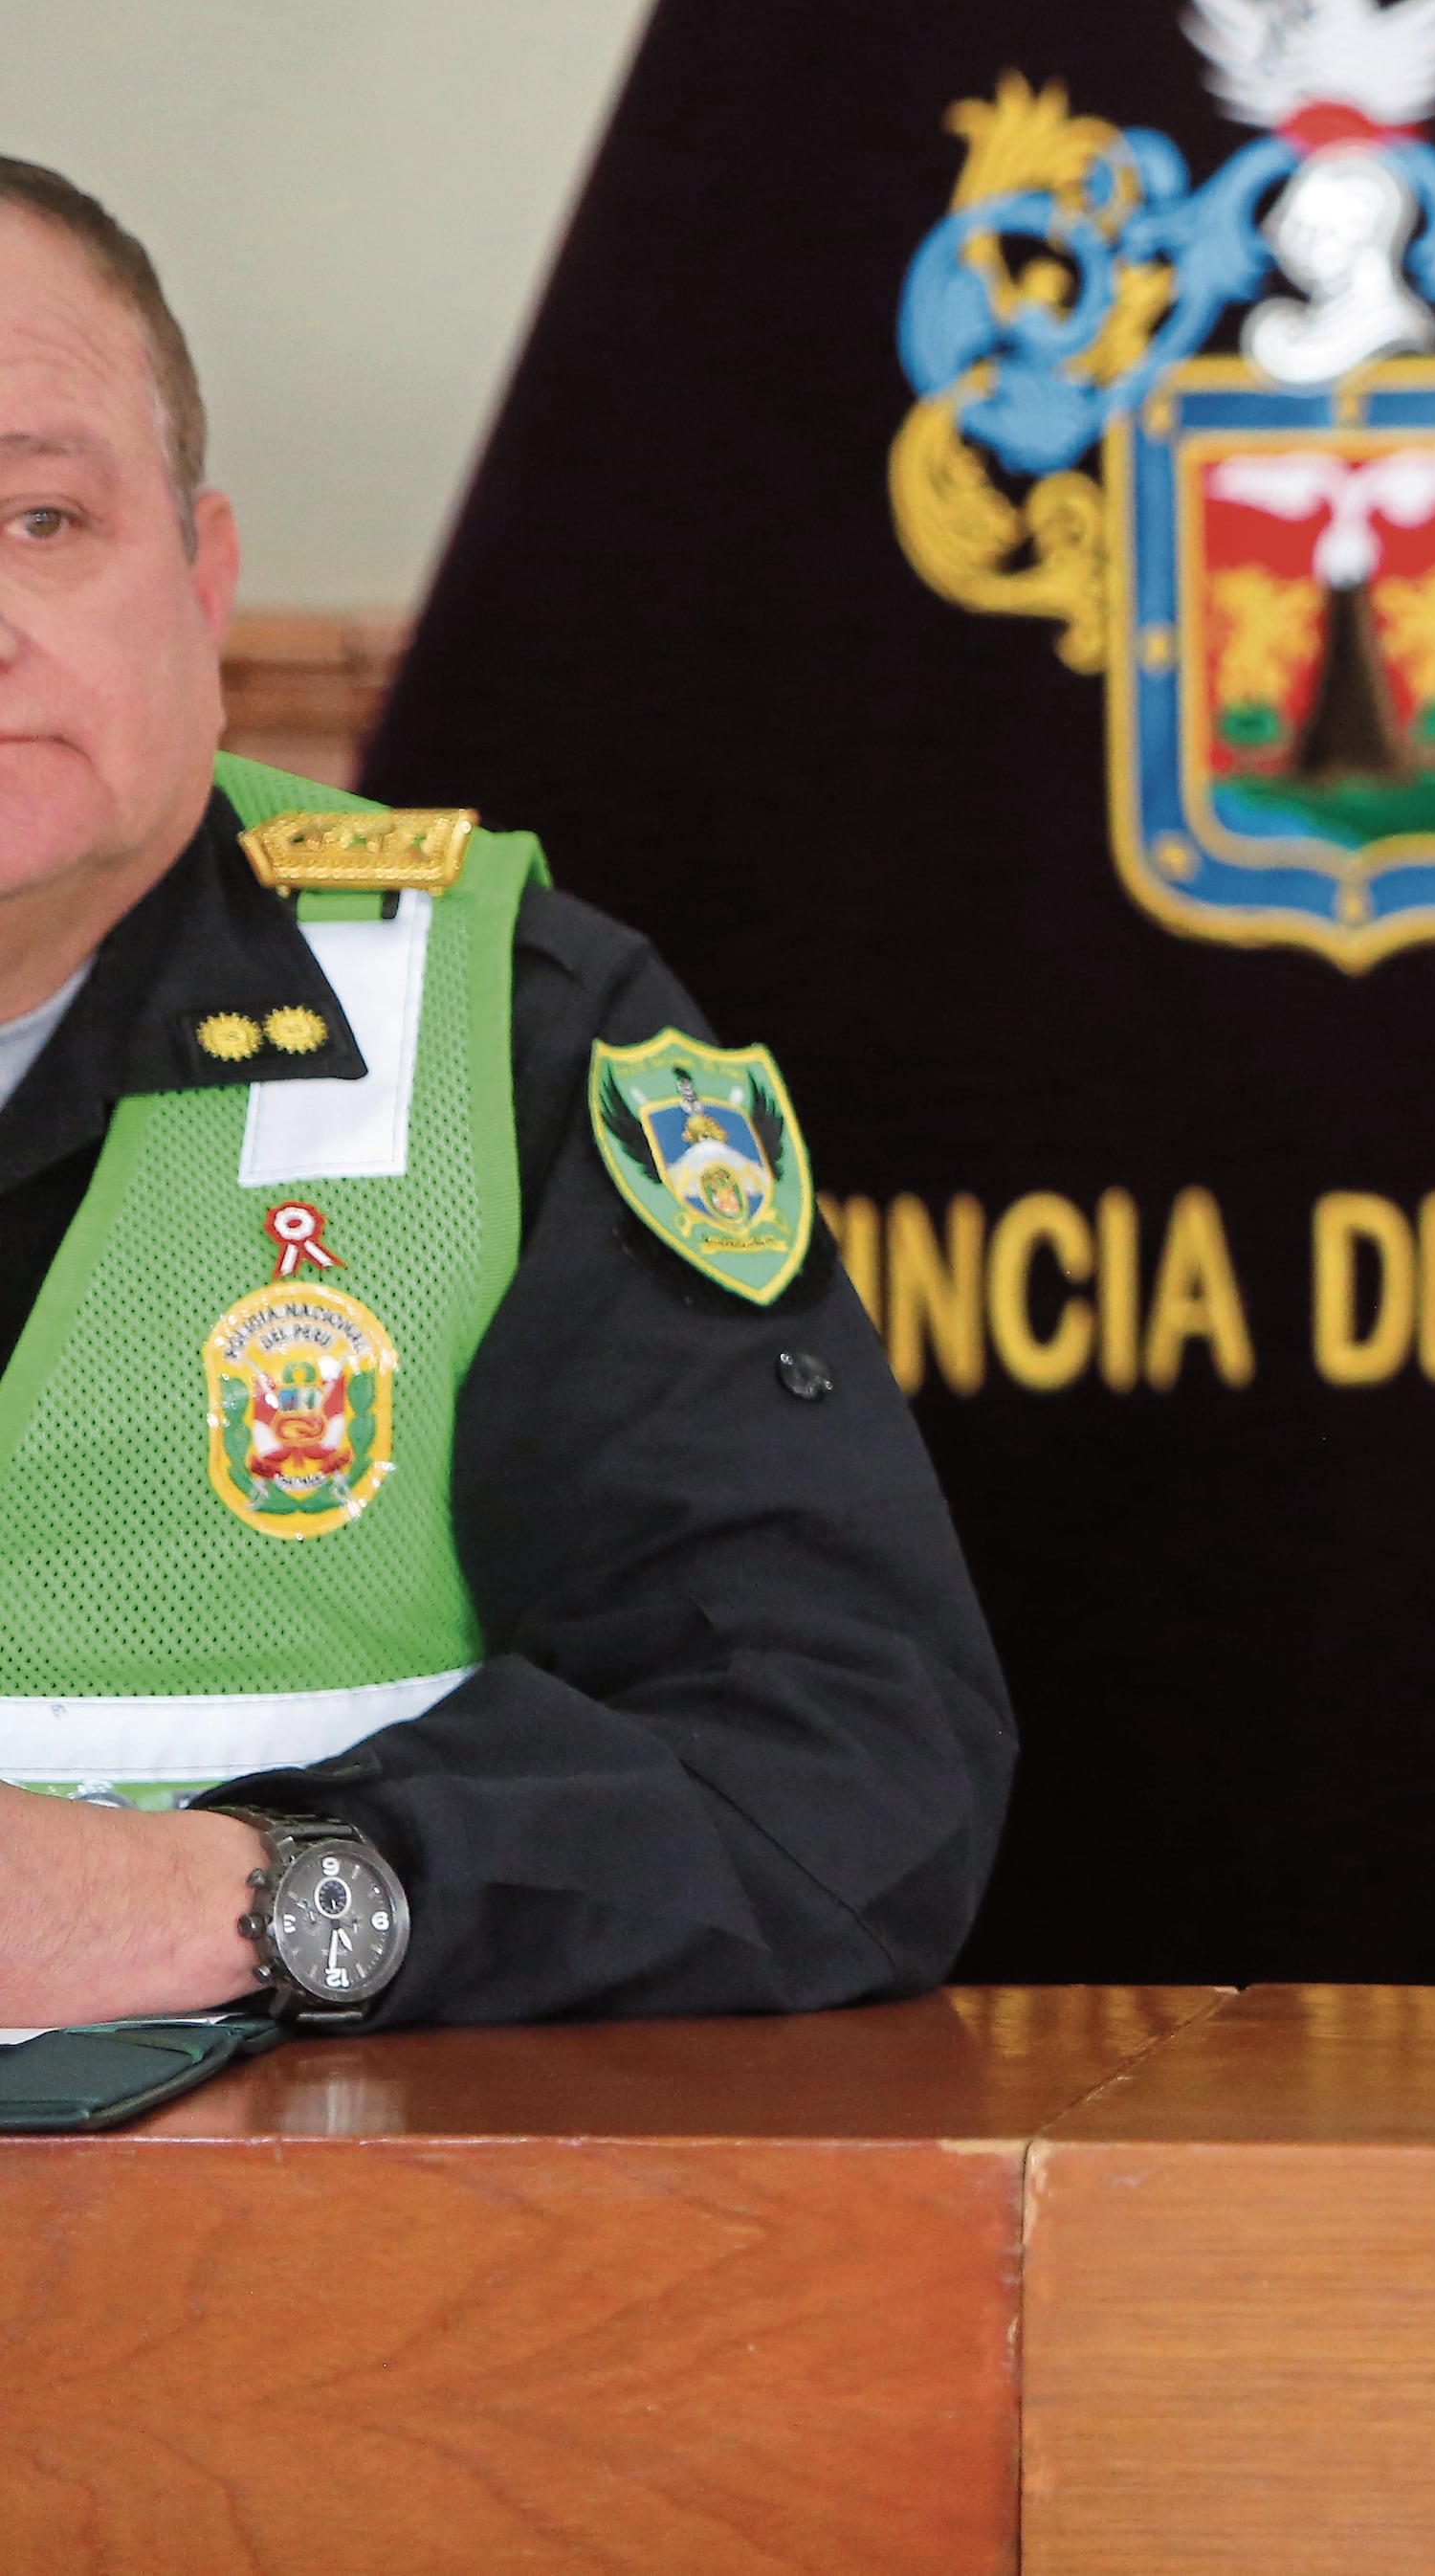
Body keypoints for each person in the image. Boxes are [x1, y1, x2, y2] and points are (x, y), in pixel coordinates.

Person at [0, 156, 1010, 2030]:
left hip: (314, 2277)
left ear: (204, 579)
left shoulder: (503, 1025)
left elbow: (846, 1770)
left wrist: (230, 1898)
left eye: (45, 516)